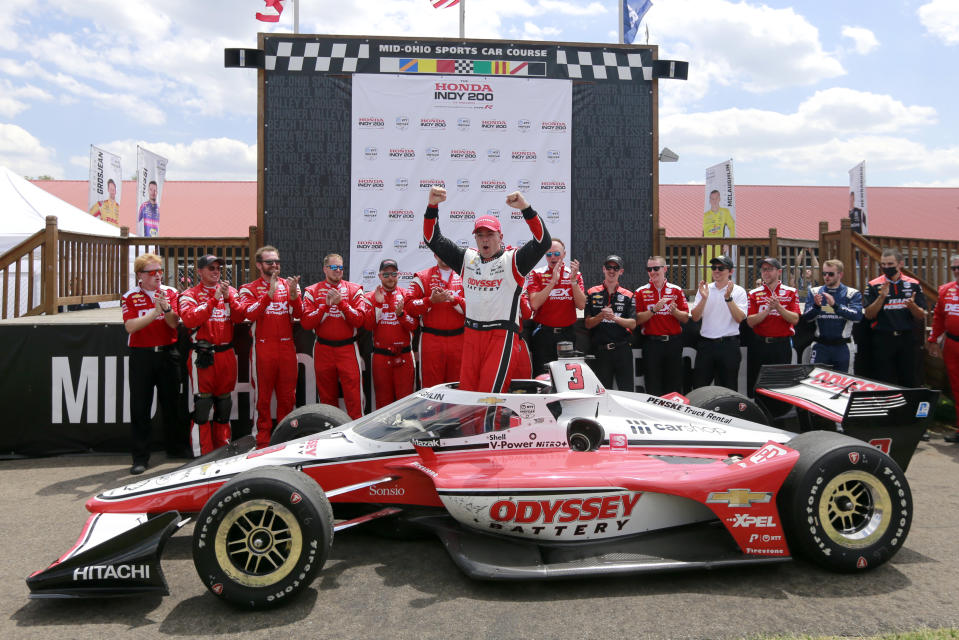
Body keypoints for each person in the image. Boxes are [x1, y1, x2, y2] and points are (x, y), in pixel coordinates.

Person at [423, 186, 551, 393]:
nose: (484, 239)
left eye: (490, 234)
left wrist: (526, 209)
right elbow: (432, 239)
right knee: (468, 396)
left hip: (500, 336)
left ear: (500, 236)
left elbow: (543, 241)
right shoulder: (467, 259)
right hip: (472, 334)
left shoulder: (514, 260)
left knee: (489, 397)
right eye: (480, 234)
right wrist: (432, 207)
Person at [121, 253, 184, 475]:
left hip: (168, 354)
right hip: (142, 356)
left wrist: (165, 309)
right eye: (152, 272)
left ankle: (176, 449)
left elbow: (174, 323)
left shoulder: (171, 292)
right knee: (140, 408)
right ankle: (140, 457)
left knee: (172, 404)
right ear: (140, 275)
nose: (158, 275)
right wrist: (153, 312)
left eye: (160, 271)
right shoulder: (130, 296)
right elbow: (130, 326)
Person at [179, 254, 244, 455]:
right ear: (199, 271)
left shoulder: (230, 291)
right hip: (203, 355)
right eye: (211, 268)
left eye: (218, 268)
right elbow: (189, 320)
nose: (216, 271)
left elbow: (241, 317)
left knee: (224, 405)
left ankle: (222, 451)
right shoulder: (190, 294)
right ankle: (202, 454)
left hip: (226, 354)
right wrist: (213, 300)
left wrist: (228, 298)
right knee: (203, 406)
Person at [237, 246, 302, 447]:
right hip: (263, 348)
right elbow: (249, 314)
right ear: (259, 265)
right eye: (269, 262)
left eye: (277, 261)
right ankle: (262, 440)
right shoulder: (248, 288)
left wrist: (294, 295)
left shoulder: (289, 284)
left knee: (287, 397)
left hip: (286, 347)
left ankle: (286, 439)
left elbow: (299, 314)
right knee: (263, 399)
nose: (274, 265)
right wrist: (269, 293)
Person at [301, 253, 367, 419]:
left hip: (348, 348)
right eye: (334, 267)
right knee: (326, 397)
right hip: (323, 348)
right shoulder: (312, 291)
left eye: (340, 267)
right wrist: (325, 306)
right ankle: (330, 432)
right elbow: (306, 323)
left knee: (354, 396)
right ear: (325, 269)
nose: (338, 271)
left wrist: (342, 304)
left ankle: (356, 434)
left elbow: (359, 321)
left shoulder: (354, 289)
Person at [863, 248, 927, 387]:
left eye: (890, 264)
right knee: (883, 379)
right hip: (883, 337)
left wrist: (912, 306)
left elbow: (922, 315)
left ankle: (908, 408)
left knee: (909, 378)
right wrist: (882, 297)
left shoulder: (913, 284)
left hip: (906, 337)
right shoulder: (874, 285)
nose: (886, 267)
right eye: (883, 264)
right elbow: (868, 314)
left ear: (900, 264)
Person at [526, 239, 586, 375]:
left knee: (566, 376)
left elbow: (581, 305)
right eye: (549, 254)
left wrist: (573, 281)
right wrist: (552, 281)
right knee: (542, 377)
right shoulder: (537, 274)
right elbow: (534, 304)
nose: (553, 257)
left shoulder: (574, 275)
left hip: (567, 334)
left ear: (564, 254)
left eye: (557, 253)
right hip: (543, 334)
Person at [407, 253, 465, 388]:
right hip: (432, 340)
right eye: (440, 251)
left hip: (459, 340)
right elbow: (409, 306)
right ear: (435, 254)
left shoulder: (465, 276)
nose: (444, 255)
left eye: (446, 251)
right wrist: (430, 301)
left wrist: (454, 300)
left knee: (457, 387)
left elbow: (477, 307)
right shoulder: (422, 277)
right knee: (431, 388)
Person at [365, 259, 417, 408]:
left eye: (393, 273)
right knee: (383, 403)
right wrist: (378, 305)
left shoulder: (407, 295)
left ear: (398, 275)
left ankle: (405, 431)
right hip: (381, 357)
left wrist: (400, 314)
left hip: (404, 356)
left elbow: (413, 325)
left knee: (405, 403)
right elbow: (368, 326)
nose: (390, 277)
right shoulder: (370, 297)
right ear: (380, 276)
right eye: (386, 274)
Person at [690, 254, 748, 390]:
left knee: (728, 388)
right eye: (714, 267)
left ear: (730, 272)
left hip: (728, 345)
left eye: (721, 268)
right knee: (700, 387)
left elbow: (739, 318)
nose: (716, 271)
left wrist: (728, 298)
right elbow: (695, 317)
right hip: (706, 345)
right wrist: (704, 298)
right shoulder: (705, 289)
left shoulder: (739, 291)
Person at [635, 256, 689, 396]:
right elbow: (637, 320)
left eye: (656, 268)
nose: (652, 272)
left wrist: (675, 311)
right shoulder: (640, 291)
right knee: (653, 386)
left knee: (674, 386)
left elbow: (685, 318)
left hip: (673, 343)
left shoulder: (676, 290)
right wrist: (654, 310)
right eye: (649, 269)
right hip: (651, 344)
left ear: (664, 269)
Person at [746, 257, 800, 397]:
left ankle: (779, 416)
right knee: (758, 385)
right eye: (764, 269)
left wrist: (778, 307)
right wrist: (767, 310)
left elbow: (795, 319)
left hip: (781, 345)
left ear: (779, 272)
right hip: (760, 344)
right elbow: (750, 322)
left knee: (780, 386)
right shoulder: (753, 293)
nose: (766, 273)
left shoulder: (791, 292)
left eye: (770, 269)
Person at [584, 255, 636, 391]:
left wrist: (614, 318)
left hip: (622, 350)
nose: (612, 271)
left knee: (627, 391)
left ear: (621, 271)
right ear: (603, 269)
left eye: (615, 268)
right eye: (609, 267)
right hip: (600, 352)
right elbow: (588, 324)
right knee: (602, 392)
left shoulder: (628, 295)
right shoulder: (592, 292)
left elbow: (632, 324)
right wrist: (601, 316)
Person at [801, 259, 863, 374]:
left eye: (830, 274)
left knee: (845, 382)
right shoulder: (815, 292)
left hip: (843, 346)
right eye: (824, 273)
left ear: (840, 274)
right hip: (820, 346)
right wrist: (816, 306)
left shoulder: (852, 293)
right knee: (816, 382)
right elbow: (806, 317)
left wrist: (835, 306)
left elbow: (857, 316)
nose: (826, 277)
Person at [928, 254, 959, 442]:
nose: (956, 271)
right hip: (952, 345)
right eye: (954, 268)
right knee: (956, 388)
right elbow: (938, 316)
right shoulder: (945, 290)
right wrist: (932, 339)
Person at [703, 189, 735, 274]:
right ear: (709, 200)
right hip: (707, 248)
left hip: (719, 248)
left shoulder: (725, 212)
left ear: (719, 199)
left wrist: (728, 243)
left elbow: (732, 227)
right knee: (706, 271)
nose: (714, 201)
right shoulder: (705, 215)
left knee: (719, 270)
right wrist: (702, 246)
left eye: (716, 198)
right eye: (712, 199)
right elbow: (702, 231)